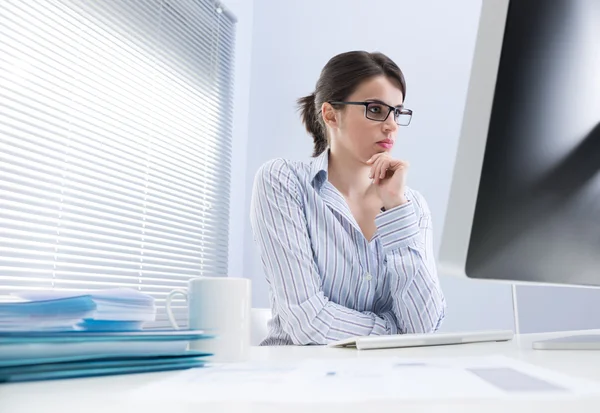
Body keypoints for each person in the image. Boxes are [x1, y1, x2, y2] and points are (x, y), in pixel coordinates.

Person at [250, 51, 446, 346]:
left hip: (386, 380)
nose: (391, 124)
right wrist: (397, 334)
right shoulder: (283, 182)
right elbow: (309, 322)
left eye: (397, 112)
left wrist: (395, 207)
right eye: (376, 109)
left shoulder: (410, 207)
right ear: (330, 114)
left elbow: (425, 326)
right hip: (297, 380)